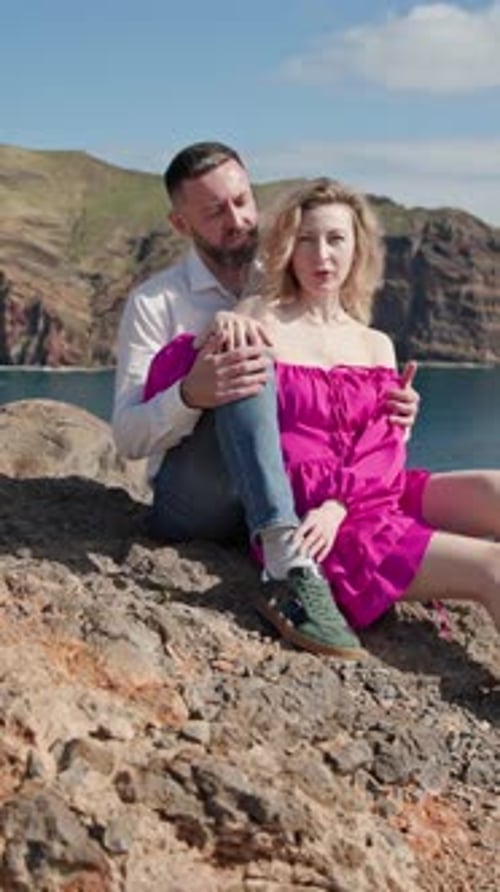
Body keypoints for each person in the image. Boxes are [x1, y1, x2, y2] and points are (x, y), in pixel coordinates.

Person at [143, 177, 500, 638]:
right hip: (308, 511)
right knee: (492, 566)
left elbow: (384, 445)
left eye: (335, 239)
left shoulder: (375, 344)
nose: (321, 255)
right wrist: (206, 336)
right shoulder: (259, 315)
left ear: (358, 248)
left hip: (362, 493)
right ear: (288, 248)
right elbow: (179, 388)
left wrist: (341, 502)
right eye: (306, 240)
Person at [112, 142, 416, 659]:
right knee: (244, 351)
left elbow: (333, 393)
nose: (237, 219)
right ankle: (285, 561)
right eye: (214, 211)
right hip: (202, 500)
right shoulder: (154, 303)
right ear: (181, 224)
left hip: (298, 488)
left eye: (241, 200)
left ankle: (286, 541)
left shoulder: (294, 267)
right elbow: (128, 436)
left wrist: (393, 413)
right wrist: (191, 395)